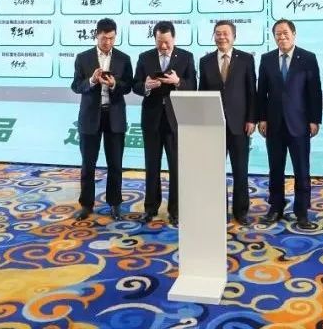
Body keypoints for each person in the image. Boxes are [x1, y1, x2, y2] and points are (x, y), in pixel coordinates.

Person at [256, 19, 322, 228]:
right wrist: (262, 118)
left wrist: (314, 120)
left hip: (299, 123)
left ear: (294, 34)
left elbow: (314, 91)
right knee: (275, 168)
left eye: (285, 33)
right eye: (278, 33)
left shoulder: (308, 58)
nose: (282, 37)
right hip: (274, 124)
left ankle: (302, 212)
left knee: (301, 169)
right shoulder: (267, 59)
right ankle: (275, 207)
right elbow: (261, 92)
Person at [132, 21, 196, 226]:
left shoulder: (186, 57)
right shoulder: (145, 57)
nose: (164, 46)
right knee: (152, 165)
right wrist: (146, 86)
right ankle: (150, 208)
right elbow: (135, 85)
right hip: (151, 119)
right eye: (160, 42)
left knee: (176, 167)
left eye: (167, 42)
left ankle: (175, 211)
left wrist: (178, 82)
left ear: (174, 38)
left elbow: (193, 86)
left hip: (176, 120)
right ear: (155, 39)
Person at [70, 18, 133, 221]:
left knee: (115, 164)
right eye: (104, 38)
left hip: (114, 116)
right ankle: (86, 205)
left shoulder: (123, 58)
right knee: (88, 164)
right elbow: (76, 86)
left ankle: (115, 204)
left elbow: (128, 86)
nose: (108, 42)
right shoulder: (83, 58)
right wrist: (91, 80)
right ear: (96, 35)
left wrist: (114, 84)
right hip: (90, 117)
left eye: (112, 38)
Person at [198, 20, 256, 225]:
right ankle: (218, 210)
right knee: (215, 171)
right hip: (214, 125)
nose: (221, 37)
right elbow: (202, 93)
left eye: (225, 33)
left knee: (240, 170)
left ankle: (241, 211)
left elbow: (251, 91)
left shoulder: (246, 59)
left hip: (239, 124)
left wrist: (251, 119)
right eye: (218, 33)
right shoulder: (205, 61)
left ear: (234, 37)